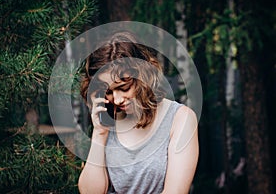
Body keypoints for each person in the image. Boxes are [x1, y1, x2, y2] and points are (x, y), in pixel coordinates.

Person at [77, 31, 199, 194]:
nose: (117, 99)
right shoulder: (107, 123)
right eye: (108, 91)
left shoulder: (181, 119)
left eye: (124, 88)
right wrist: (99, 134)